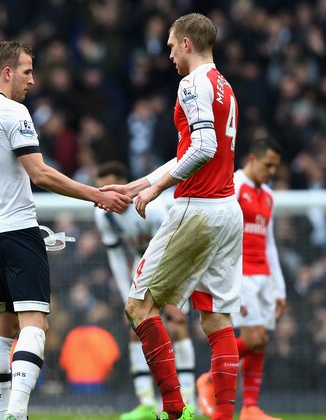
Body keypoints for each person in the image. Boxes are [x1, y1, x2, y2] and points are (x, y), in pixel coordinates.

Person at [0, 40, 131, 420]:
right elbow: (41, 173)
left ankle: (1, 418)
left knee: (1, 327)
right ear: (7, 72)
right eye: (27, 71)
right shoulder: (14, 111)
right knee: (35, 323)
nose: (32, 80)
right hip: (16, 230)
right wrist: (96, 195)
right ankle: (18, 412)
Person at [101, 13, 242, 420]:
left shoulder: (192, 83)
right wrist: (136, 185)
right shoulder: (224, 87)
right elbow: (193, 150)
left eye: (169, 46)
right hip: (226, 209)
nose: (168, 55)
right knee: (216, 319)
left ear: (186, 43)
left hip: (196, 208)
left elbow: (203, 148)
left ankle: (173, 410)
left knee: (138, 306)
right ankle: (221, 416)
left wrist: (158, 188)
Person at [94, 161, 196, 420]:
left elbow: (176, 243)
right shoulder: (103, 214)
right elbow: (117, 257)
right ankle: (146, 403)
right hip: (143, 265)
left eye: (108, 190)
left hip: (174, 261)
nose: (102, 197)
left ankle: (189, 400)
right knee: (135, 328)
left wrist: (174, 291)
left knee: (177, 324)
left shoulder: (152, 207)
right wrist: (124, 296)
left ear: (123, 188)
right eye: (99, 190)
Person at [196, 138, 286, 420]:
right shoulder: (233, 187)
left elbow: (269, 242)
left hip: (264, 277)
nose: (271, 171)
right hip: (241, 273)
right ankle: (210, 379)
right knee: (252, 336)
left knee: (261, 341)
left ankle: (250, 408)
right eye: (267, 165)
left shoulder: (268, 196)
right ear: (252, 159)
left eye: (275, 167)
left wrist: (279, 288)